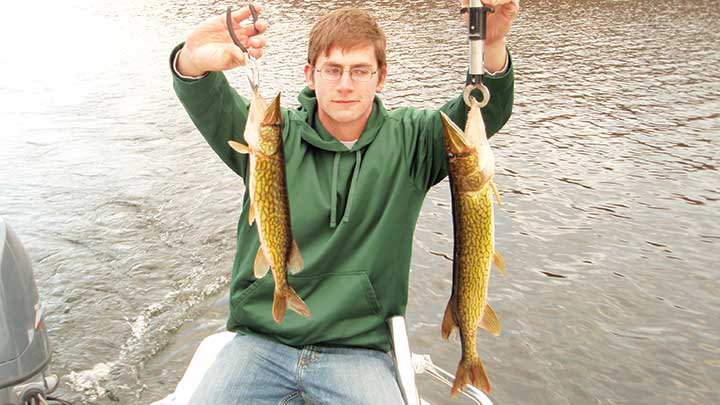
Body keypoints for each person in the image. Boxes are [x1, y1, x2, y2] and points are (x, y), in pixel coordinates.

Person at [169, 1, 519, 403]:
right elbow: (208, 100)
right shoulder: (268, 138)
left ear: (381, 76)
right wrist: (191, 60)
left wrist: (491, 47)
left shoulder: (414, 142)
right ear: (310, 75)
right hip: (260, 341)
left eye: (360, 70)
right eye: (332, 70)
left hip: (357, 352)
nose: (346, 84)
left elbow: (479, 117)